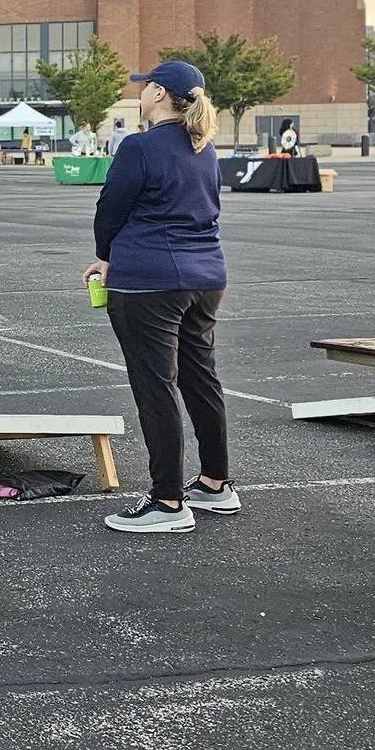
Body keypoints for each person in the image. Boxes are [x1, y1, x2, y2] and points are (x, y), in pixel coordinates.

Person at [85, 60, 235, 535]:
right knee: (200, 378)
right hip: (205, 277)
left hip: (149, 280)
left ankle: (168, 502)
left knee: (156, 386)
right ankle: (215, 484)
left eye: (146, 85)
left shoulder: (140, 146)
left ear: (161, 94)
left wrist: (105, 256)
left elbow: (111, 208)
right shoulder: (203, 147)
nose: (141, 91)